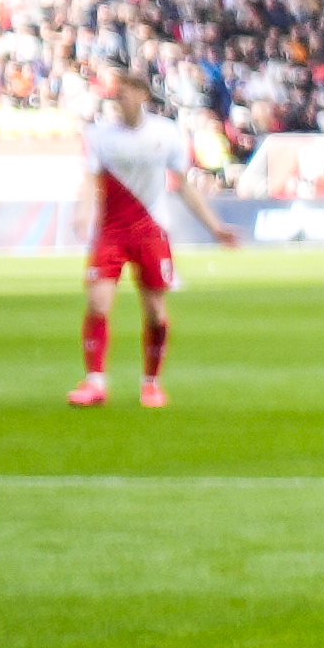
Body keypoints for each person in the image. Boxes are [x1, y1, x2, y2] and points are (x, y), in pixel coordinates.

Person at [70, 69, 236, 408]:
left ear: (143, 95)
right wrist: (83, 212)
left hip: (151, 230)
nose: (120, 98)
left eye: (126, 92)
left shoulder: (166, 133)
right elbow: (89, 180)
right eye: (118, 93)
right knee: (98, 303)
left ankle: (152, 383)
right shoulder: (99, 135)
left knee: (156, 313)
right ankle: (95, 382)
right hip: (111, 231)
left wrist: (214, 226)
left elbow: (184, 185)